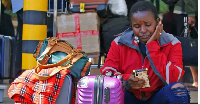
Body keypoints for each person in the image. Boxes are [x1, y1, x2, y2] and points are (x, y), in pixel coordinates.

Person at [100, 1, 190, 104]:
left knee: (179, 90)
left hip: (158, 96)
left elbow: (175, 79)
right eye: (137, 26)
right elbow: (107, 73)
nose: (142, 30)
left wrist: (152, 47)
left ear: (158, 22)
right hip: (130, 96)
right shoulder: (119, 43)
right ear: (131, 25)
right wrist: (126, 81)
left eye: (148, 25)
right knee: (107, 92)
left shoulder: (172, 43)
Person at [173, 0, 198, 89]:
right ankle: (181, 82)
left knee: (192, 45)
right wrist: (191, 13)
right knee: (183, 46)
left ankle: (196, 81)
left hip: (190, 11)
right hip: (185, 11)